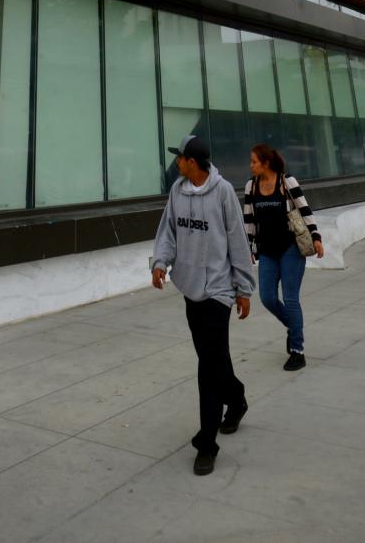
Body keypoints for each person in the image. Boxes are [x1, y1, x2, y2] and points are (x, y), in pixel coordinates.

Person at [150, 134, 254, 476]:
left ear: (191, 161)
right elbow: (168, 231)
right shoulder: (178, 192)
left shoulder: (222, 192)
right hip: (190, 288)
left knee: (207, 368)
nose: (176, 162)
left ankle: (206, 443)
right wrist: (160, 263)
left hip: (219, 291)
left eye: (178, 157)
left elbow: (238, 239)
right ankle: (236, 398)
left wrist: (243, 288)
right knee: (213, 358)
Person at [242, 144, 323, 371]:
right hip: (267, 251)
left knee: (290, 299)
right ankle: (293, 327)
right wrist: (249, 247)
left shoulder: (286, 182)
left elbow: (305, 211)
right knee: (267, 297)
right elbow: (249, 220)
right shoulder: (251, 186)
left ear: (265, 163)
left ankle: (297, 351)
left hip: (291, 249)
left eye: (254, 162)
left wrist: (316, 237)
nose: (251, 166)